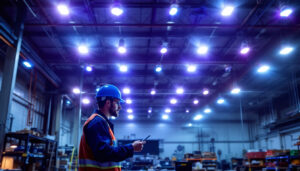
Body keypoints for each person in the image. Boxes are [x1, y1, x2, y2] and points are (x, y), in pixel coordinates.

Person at [79, 84, 145, 171]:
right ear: (108, 102)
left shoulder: (102, 122)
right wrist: (131, 147)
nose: (120, 107)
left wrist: (131, 148)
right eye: (117, 102)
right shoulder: (97, 123)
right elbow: (105, 153)